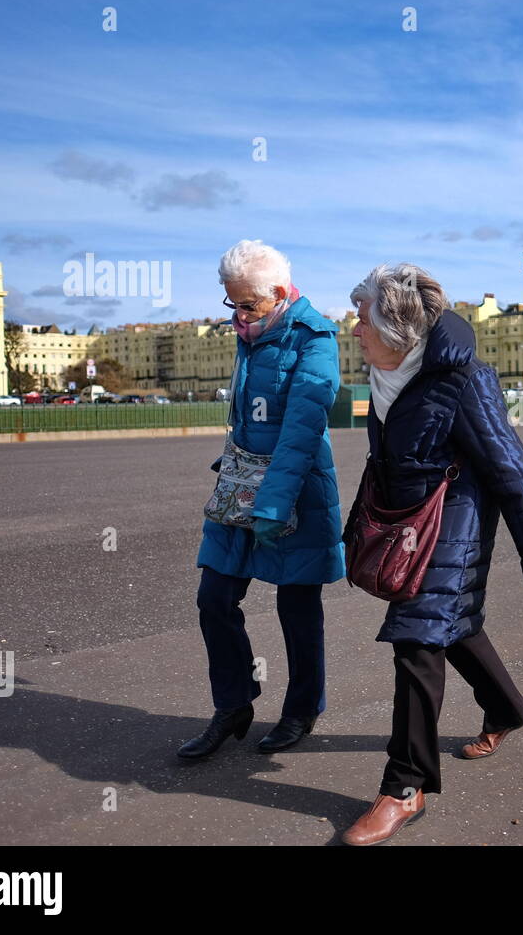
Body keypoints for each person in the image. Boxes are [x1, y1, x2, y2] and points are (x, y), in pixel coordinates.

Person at [340, 263, 523, 846]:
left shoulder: (464, 382)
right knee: (454, 624)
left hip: (455, 522)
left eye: (363, 317)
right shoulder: (385, 378)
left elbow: (512, 469)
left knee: (417, 637)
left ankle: (403, 788)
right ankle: (508, 709)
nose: (354, 327)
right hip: (408, 524)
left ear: (397, 329)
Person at [180, 240, 345, 759]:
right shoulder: (250, 334)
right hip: (241, 487)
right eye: (232, 303)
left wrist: (273, 503)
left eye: (247, 304)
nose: (238, 315)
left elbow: (300, 430)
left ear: (278, 293)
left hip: (296, 492)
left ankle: (300, 711)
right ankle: (233, 705)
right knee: (214, 598)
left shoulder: (315, 338)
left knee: (297, 606)